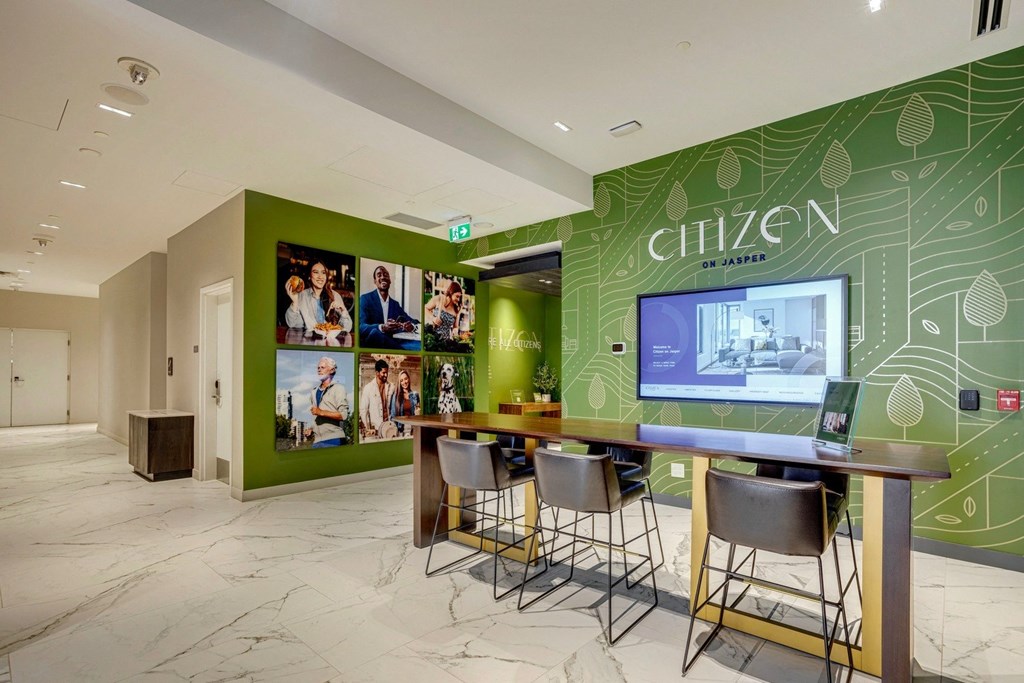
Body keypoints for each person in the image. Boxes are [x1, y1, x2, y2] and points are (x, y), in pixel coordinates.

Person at [358, 265, 419, 350]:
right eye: (379, 275)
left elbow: (413, 321)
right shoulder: (365, 299)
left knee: (417, 344)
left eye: (386, 275)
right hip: (373, 344)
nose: (383, 277)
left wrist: (412, 326)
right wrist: (382, 327)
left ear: (390, 280)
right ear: (375, 281)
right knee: (375, 333)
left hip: (391, 344)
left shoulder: (395, 304)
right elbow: (360, 327)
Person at [284, 260, 352, 334]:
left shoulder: (335, 296)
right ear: (309, 276)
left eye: (323, 272)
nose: (320, 276)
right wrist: (295, 302)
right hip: (309, 339)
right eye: (316, 272)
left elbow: (347, 328)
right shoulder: (302, 296)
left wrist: (343, 310)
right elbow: (293, 324)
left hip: (331, 340)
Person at [305, 356, 349, 448]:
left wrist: (321, 412)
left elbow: (343, 415)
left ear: (332, 370)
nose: (319, 370)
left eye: (322, 367)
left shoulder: (339, 388)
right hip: (317, 441)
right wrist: (311, 429)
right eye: (318, 368)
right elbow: (315, 416)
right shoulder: (314, 392)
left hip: (334, 439)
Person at [359, 359, 396, 438]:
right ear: (377, 373)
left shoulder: (391, 386)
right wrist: (367, 428)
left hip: (389, 428)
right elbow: (363, 410)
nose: (386, 375)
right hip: (375, 430)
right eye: (384, 373)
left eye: (387, 372)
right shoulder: (368, 388)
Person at [424, 280, 463, 345]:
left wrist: (455, 333)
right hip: (432, 339)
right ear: (451, 292)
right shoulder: (439, 299)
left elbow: (455, 327)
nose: (458, 299)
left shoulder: (456, 309)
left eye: (460, 297)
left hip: (445, 343)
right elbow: (425, 308)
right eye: (457, 296)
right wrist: (433, 318)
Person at [388, 369, 420, 436]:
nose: (404, 382)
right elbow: (393, 417)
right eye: (401, 380)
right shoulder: (395, 396)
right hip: (400, 430)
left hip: (413, 428)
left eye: (405, 379)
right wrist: (394, 433)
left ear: (409, 379)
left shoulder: (415, 395)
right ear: (399, 383)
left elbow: (417, 414)